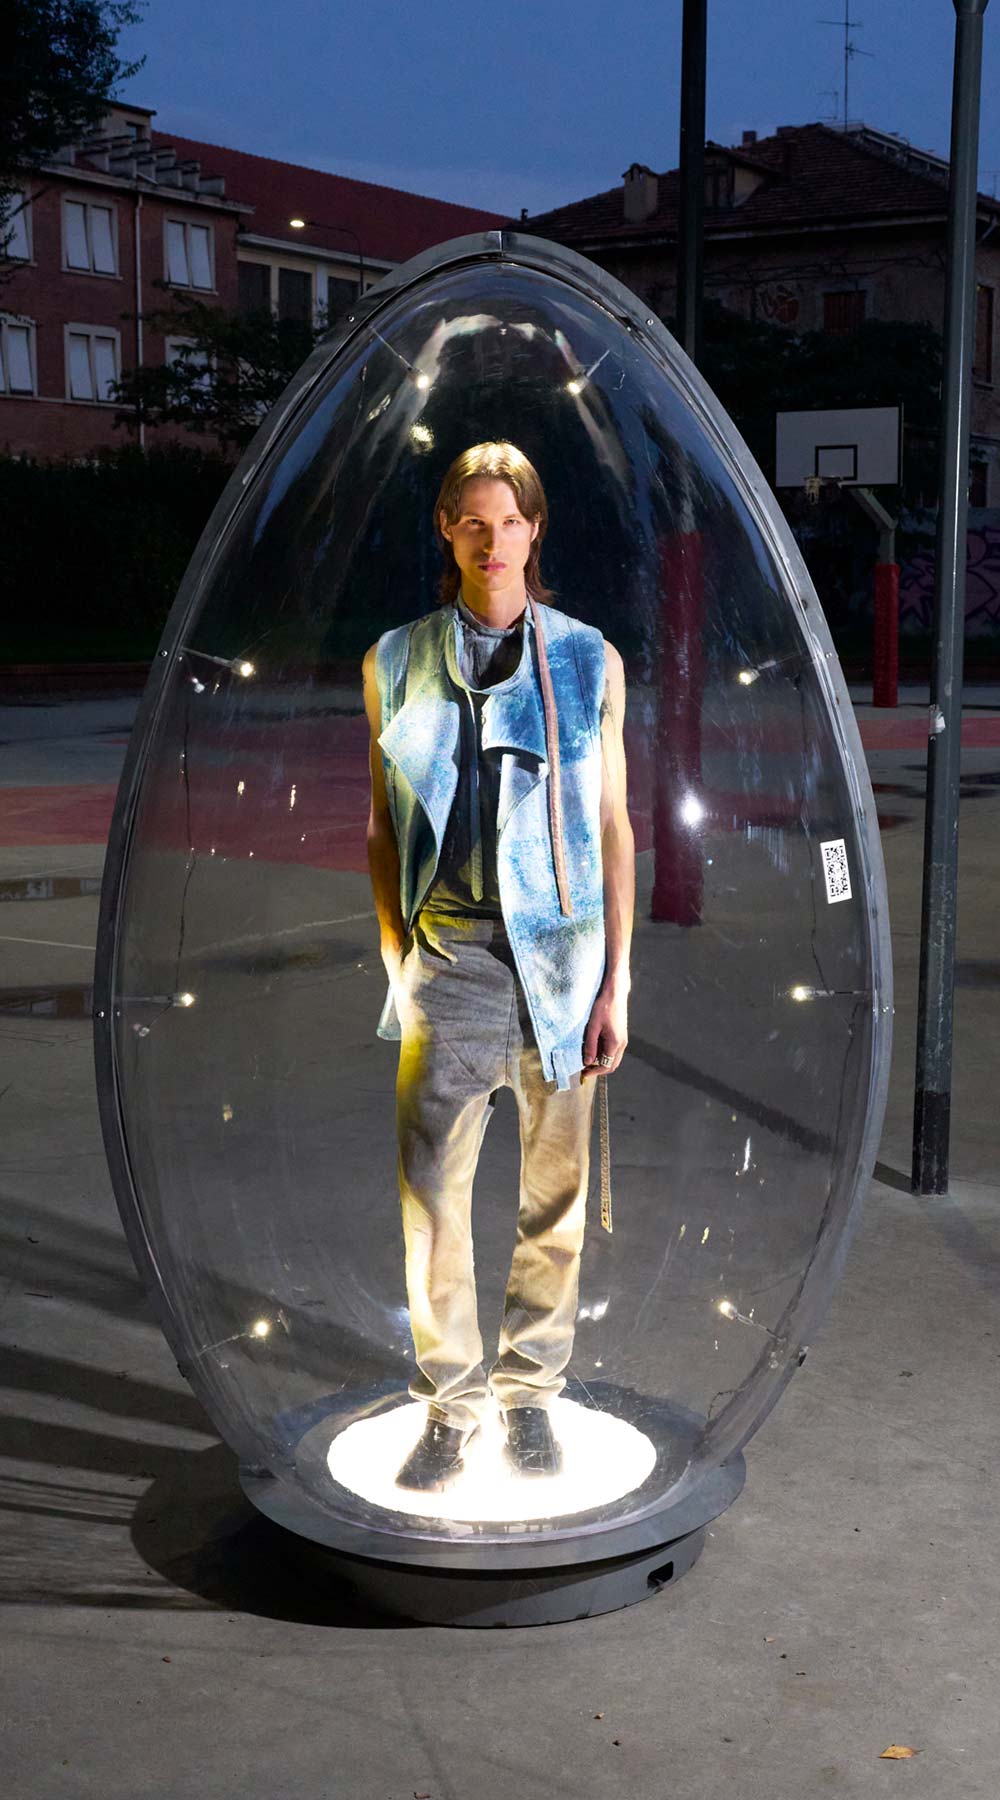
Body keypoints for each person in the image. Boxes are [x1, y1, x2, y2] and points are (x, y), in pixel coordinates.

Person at [361, 440, 634, 1491]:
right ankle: (450, 1403)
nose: (493, 540)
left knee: (553, 1198)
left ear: (534, 529)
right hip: (452, 956)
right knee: (432, 1196)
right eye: (473, 521)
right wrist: (397, 954)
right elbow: (381, 825)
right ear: (447, 528)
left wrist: (616, 981)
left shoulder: (588, 659)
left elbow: (613, 825)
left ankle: (530, 1397)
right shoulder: (395, 660)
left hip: (559, 960)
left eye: (509, 521)